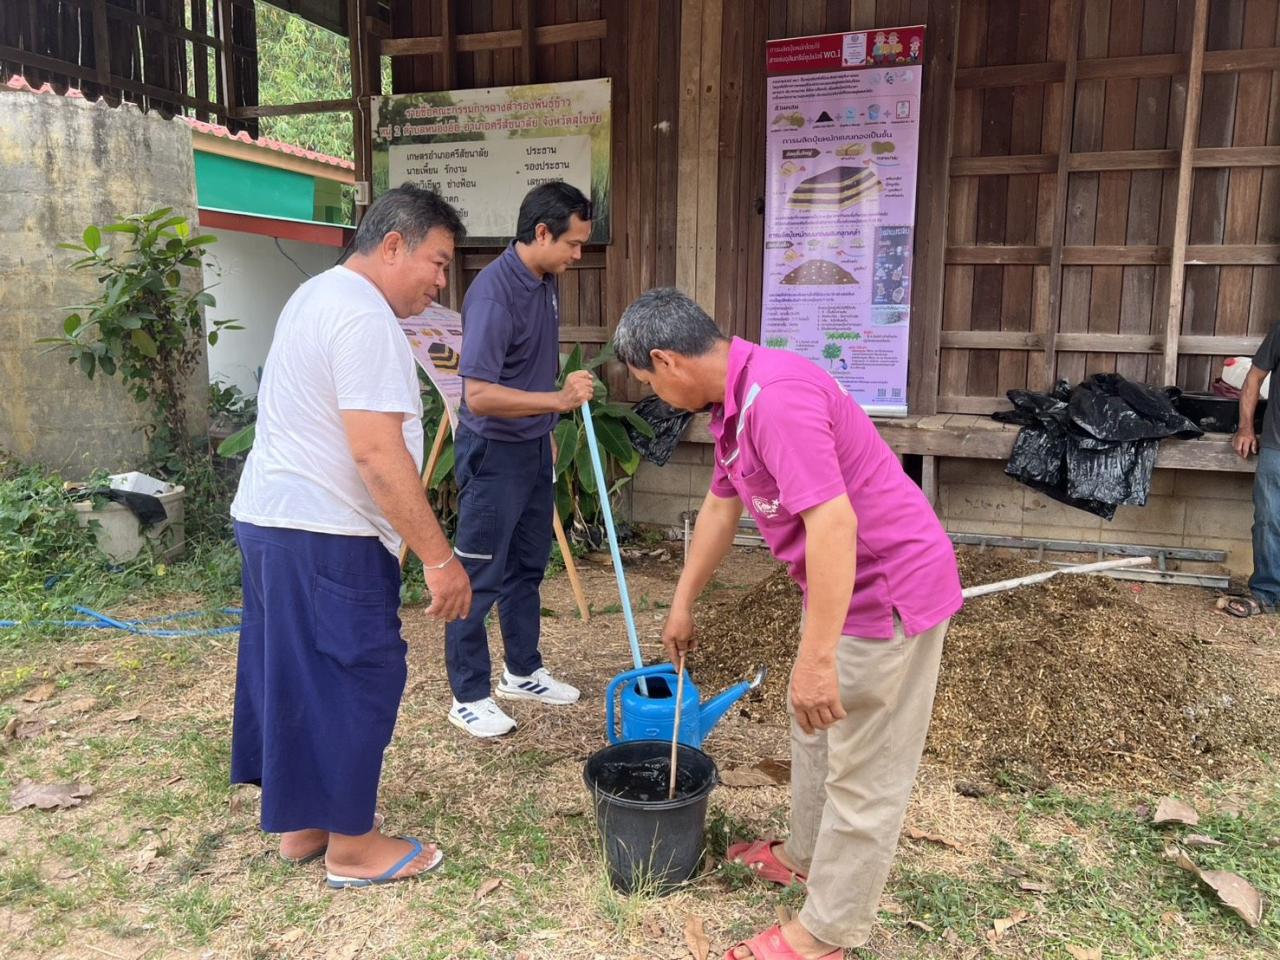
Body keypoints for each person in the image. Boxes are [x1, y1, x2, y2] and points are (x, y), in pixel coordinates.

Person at [612, 288, 963, 960]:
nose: (654, 393)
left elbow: (835, 523)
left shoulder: (775, 398)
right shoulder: (733, 405)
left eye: (649, 381)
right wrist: (683, 602)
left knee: (864, 768)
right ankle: (803, 854)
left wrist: (818, 657)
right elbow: (721, 509)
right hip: (838, 589)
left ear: (666, 359)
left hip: (887, 591)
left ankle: (825, 933)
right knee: (813, 732)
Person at [229, 186, 472, 888]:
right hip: (324, 530)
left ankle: (304, 823)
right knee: (356, 673)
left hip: (273, 520)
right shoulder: (363, 317)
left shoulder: (317, 295)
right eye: (436, 261)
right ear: (392, 245)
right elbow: (376, 452)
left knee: (293, 671)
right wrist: (438, 557)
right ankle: (353, 848)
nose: (440, 279)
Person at [445, 181, 595, 737]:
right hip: (493, 453)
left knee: (527, 567)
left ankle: (523, 670)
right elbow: (478, 394)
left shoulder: (544, 281)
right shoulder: (493, 292)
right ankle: (468, 694)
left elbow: (525, 370)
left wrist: (546, 428)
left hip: (532, 448)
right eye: (573, 244)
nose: (578, 256)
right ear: (540, 233)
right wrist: (557, 401)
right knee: (479, 575)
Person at [1230, 323, 1280, 616]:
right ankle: (1266, 593)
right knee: (1268, 520)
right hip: (1276, 446)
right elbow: (1254, 378)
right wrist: (1246, 427)